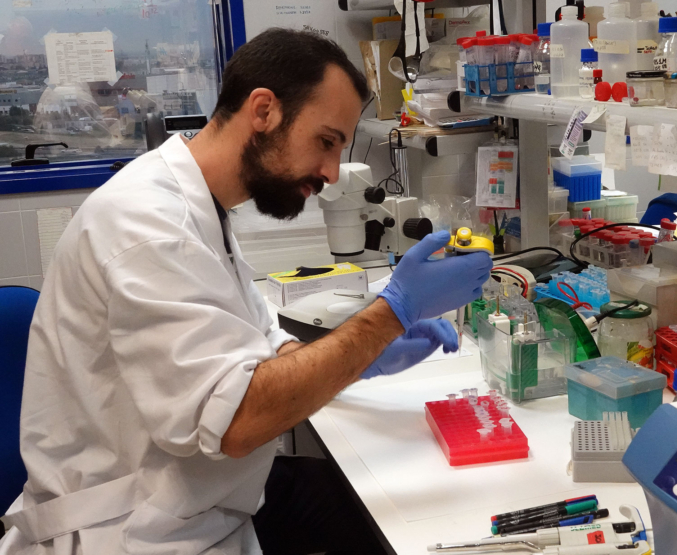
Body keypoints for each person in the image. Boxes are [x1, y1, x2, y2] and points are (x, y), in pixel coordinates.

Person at [0, 29, 492, 555]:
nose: (330, 172)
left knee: (369, 508)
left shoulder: (200, 206)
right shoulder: (146, 223)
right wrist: (389, 315)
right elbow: (237, 420)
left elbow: (265, 343)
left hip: (194, 502)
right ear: (263, 110)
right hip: (131, 531)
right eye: (326, 141)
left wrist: (364, 354)